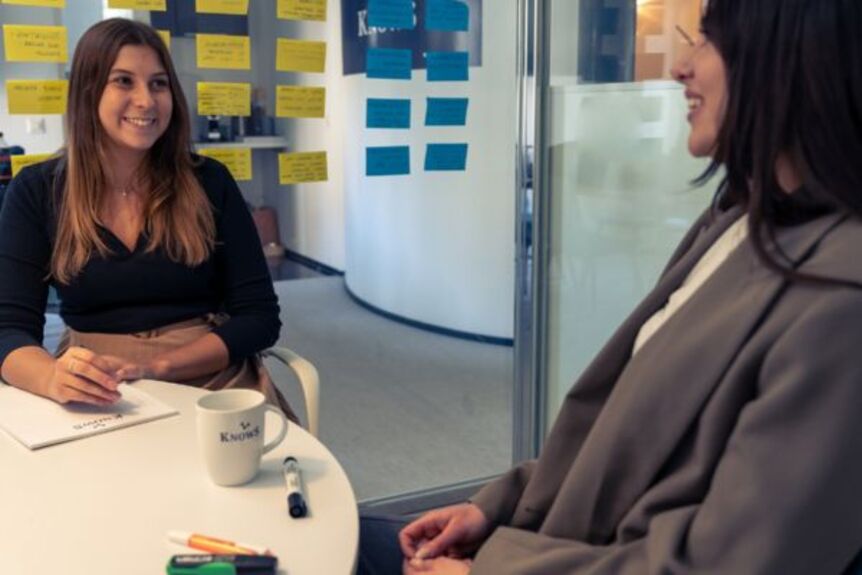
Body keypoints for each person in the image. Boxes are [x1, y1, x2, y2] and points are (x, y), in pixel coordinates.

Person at [358, 0, 862, 573]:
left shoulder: (842, 301)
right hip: (543, 538)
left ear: (791, 58)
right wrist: (494, 506)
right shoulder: (738, 218)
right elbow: (617, 436)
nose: (680, 67)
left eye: (708, 41)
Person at [0, 18, 297, 422]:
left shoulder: (209, 181)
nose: (146, 100)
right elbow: (9, 330)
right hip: (94, 385)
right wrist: (52, 377)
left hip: (208, 378)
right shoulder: (36, 191)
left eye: (159, 84)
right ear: (88, 92)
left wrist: (158, 368)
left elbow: (259, 317)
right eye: (124, 81)